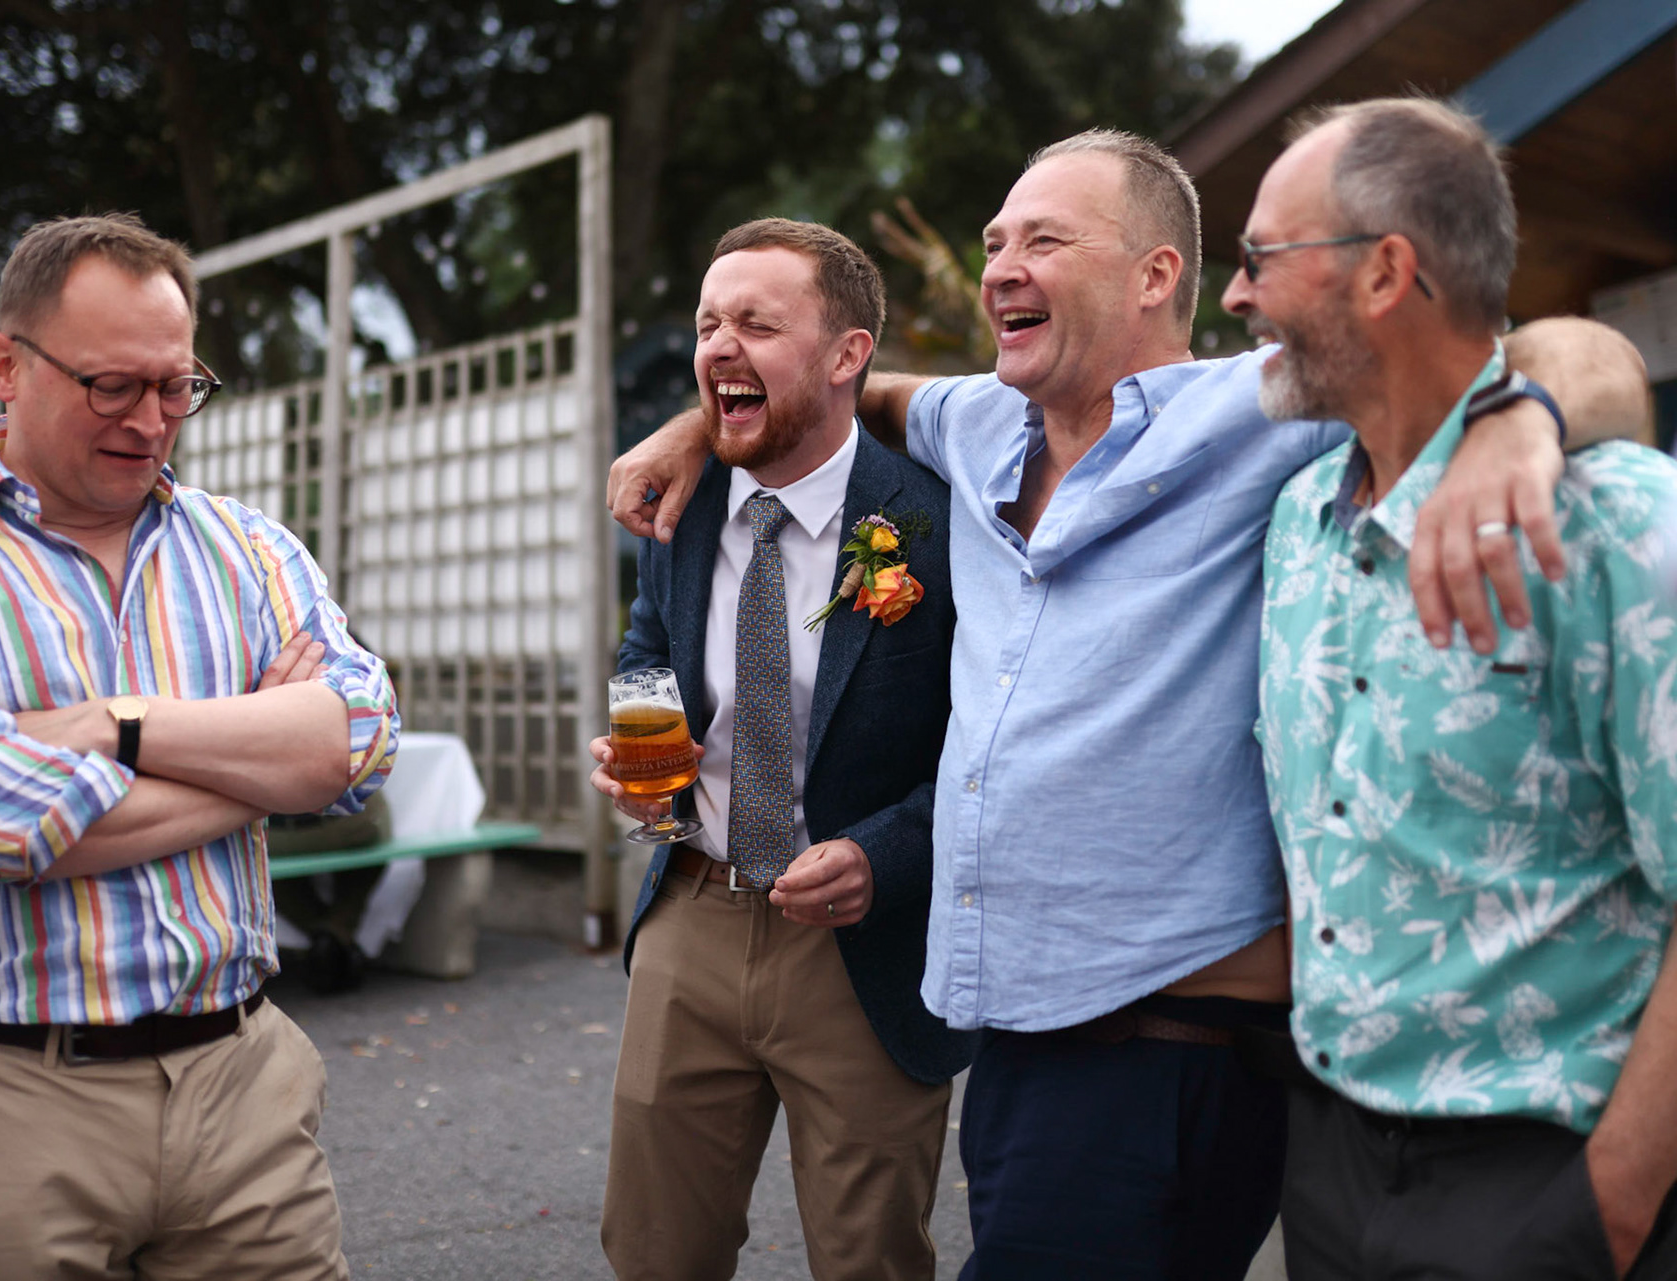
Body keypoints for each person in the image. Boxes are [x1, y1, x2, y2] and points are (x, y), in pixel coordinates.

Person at [607, 130, 1648, 1277]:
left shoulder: (1265, 411)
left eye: (1043, 239)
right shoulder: (978, 422)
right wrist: (700, 424)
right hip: (1017, 1040)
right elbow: (853, 391)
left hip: (1180, 1043)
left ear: (1156, 276)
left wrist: (1517, 416)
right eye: (995, 240)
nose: (1002, 263)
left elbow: (1573, 352)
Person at [0, 212, 399, 1281]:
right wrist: (264, 770)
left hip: (242, 1087)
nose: (153, 419)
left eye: (177, 386)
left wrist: (113, 731)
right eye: (112, 386)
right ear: (6, 367)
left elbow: (361, 736)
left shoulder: (251, 548)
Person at [1235, 97, 1677, 1280]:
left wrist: (1611, 1210)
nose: (1235, 298)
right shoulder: (1297, 521)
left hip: (1547, 1176)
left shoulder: (1621, 524)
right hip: (1327, 1163)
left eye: (1260, 260)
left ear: (1385, 272)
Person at [590, 218, 971, 1280]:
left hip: (861, 947)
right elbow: (649, 641)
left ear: (849, 354)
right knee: (652, 1249)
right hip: (690, 917)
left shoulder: (938, 524)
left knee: (870, 1259)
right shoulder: (685, 495)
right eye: (709, 322)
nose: (718, 344)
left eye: (757, 322)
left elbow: (995, 743)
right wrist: (642, 754)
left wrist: (886, 856)